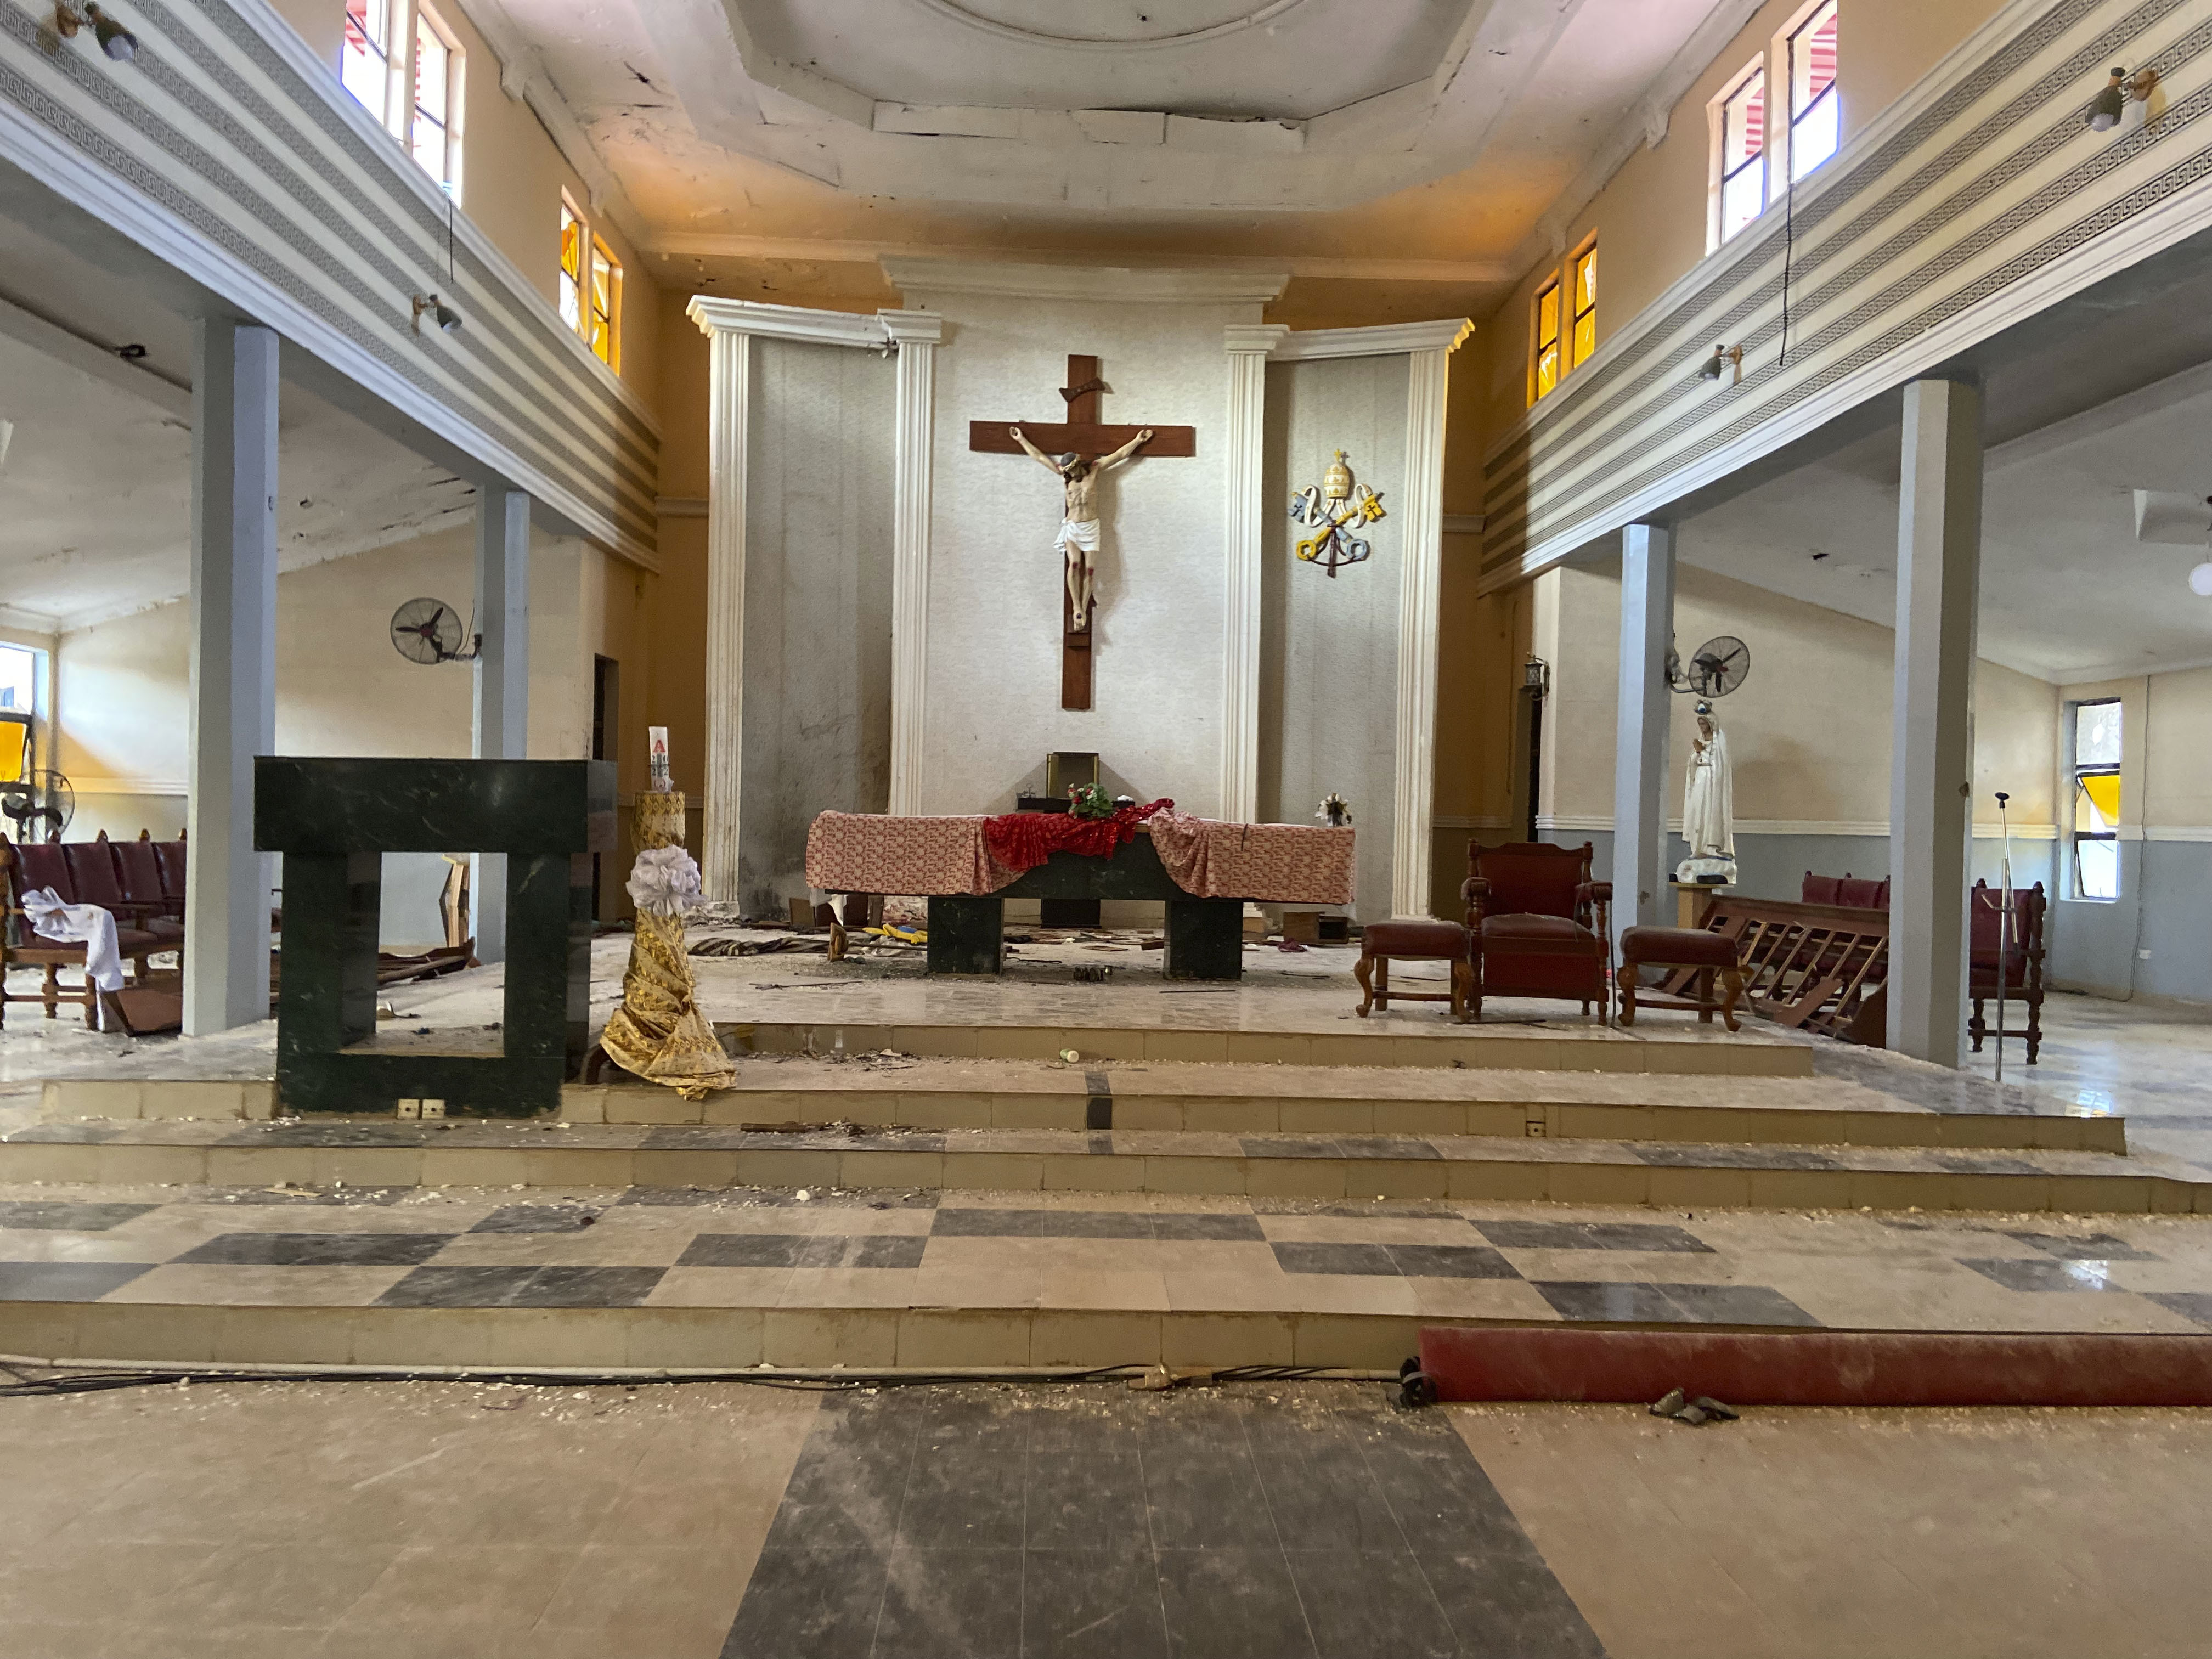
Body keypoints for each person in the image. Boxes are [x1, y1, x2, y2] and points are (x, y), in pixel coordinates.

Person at [1010, 425, 1152, 630]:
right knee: (1075, 564)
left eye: (1072, 469)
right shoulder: (1064, 476)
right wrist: (1021, 440)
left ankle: (1083, 608)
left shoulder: (1094, 469)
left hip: (1091, 527)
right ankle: (1077, 607)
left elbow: (1120, 455)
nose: (1069, 472)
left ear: (1078, 464)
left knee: (1090, 570)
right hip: (1073, 528)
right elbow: (1040, 458)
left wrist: (1138, 441)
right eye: (1067, 471)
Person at [1676, 700, 1736, 882]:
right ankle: (1699, 848)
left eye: (1704, 724)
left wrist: (1703, 753)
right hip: (1700, 782)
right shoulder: (1701, 742)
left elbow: (1720, 765)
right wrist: (1697, 755)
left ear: (1711, 723)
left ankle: (1712, 848)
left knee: (1710, 814)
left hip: (1712, 784)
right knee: (1698, 814)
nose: (1702, 727)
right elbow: (1693, 764)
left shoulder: (1719, 740)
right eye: (1700, 724)